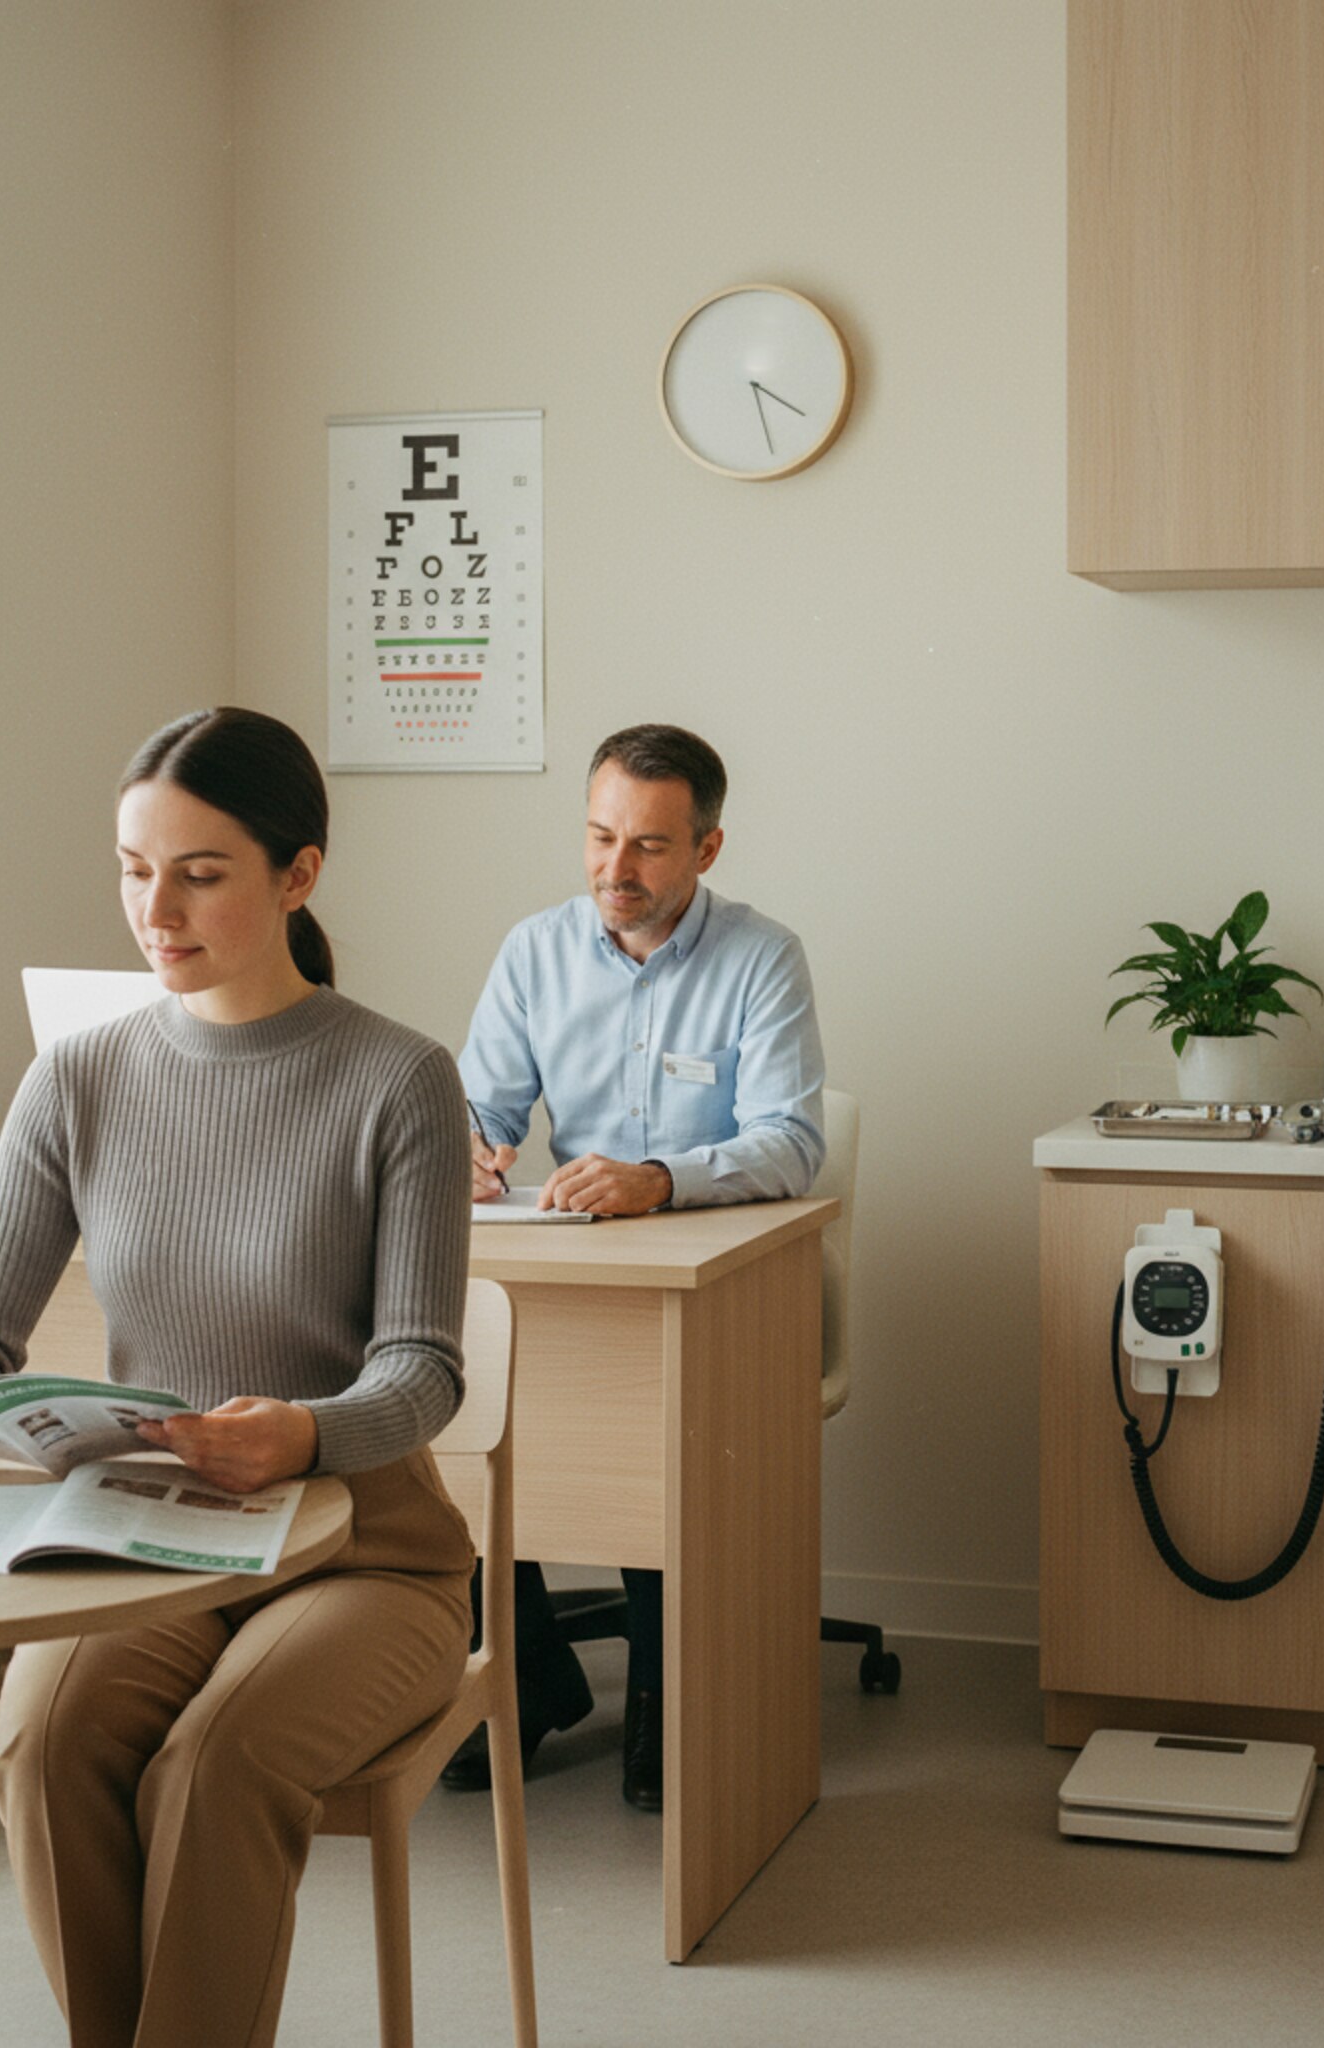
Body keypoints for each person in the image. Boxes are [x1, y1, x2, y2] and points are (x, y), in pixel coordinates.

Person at [0, 707, 474, 2048]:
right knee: (42, 1748)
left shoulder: (401, 1080)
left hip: (368, 1554)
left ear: (299, 873)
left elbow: (425, 1367)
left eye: (199, 872)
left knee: (217, 1764)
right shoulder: (78, 1078)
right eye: (130, 868)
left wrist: (308, 1435)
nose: (153, 909)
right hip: (149, 1541)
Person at [444, 722, 824, 1811]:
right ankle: (526, 1677)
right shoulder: (535, 950)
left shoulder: (761, 956)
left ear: (705, 849)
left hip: (711, 1271)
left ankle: (664, 1694)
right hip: (570, 1263)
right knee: (463, 1409)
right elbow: (482, 1103)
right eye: (600, 835)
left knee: (656, 1435)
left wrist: (657, 1176)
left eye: (649, 845)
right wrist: (470, 1145)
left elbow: (792, 1139)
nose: (616, 869)